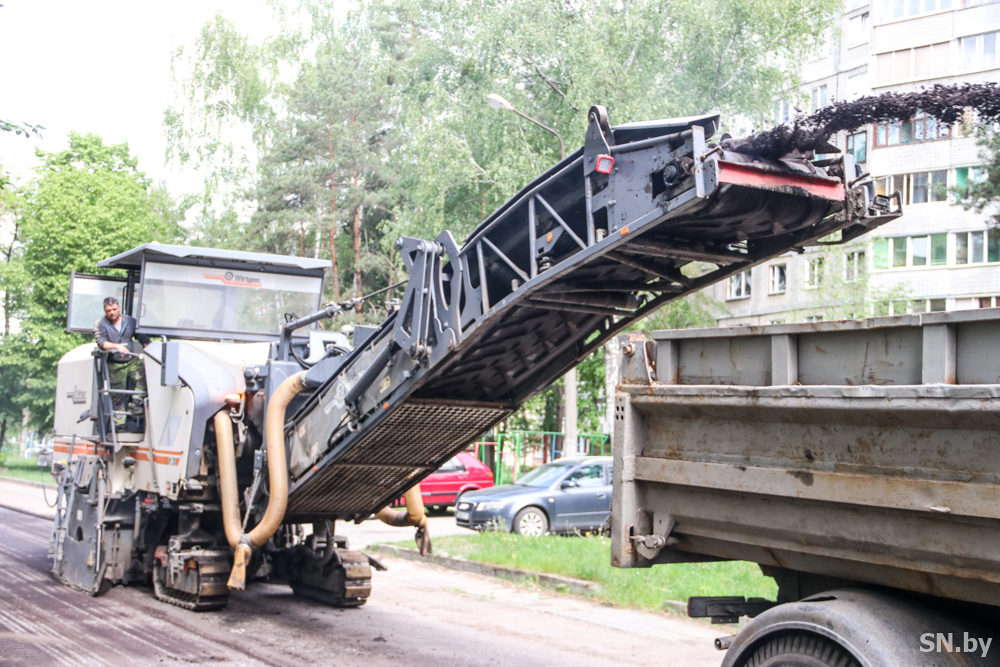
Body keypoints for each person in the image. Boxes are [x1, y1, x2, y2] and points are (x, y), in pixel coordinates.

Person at [94, 296, 150, 427]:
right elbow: (101, 342)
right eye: (108, 310)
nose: (112, 313)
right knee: (117, 396)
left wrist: (150, 347)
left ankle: (136, 402)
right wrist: (117, 346)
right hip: (114, 364)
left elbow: (143, 338)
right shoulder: (101, 323)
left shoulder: (130, 321)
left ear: (119, 307)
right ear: (105, 310)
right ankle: (120, 426)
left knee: (144, 371)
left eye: (114, 309)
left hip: (131, 361)